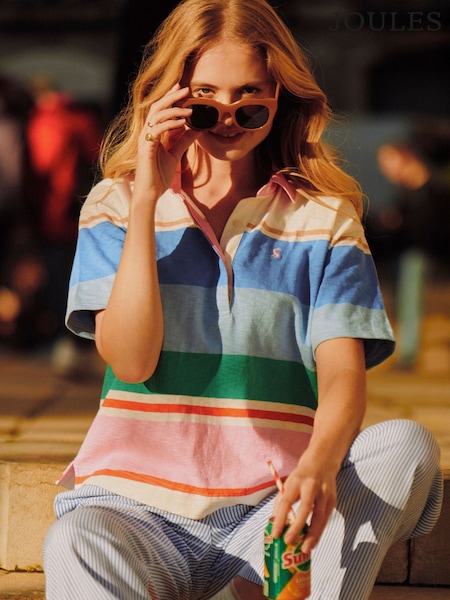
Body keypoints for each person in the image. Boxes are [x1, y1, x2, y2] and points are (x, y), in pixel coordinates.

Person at [43, 1, 443, 598]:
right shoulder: (115, 205)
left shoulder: (325, 219)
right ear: (171, 99)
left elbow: (342, 374)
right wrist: (148, 197)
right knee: (73, 541)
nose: (227, 118)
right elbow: (130, 360)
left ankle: (250, 587)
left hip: (270, 513)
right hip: (132, 510)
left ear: (280, 96)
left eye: (249, 99)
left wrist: (319, 469)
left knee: (404, 446)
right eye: (204, 99)